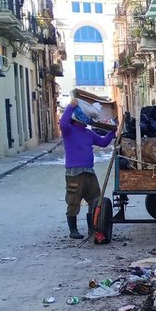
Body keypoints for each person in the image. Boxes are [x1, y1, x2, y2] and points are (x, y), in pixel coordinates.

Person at [60, 98, 116, 239]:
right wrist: (70, 107)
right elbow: (62, 123)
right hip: (74, 174)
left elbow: (103, 143)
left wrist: (112, 132)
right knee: (73, 202)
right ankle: (73, 231)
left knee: (95, 200)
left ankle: (93, 228)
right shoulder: (69, 131)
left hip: (89, 172)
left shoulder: (88, 133)